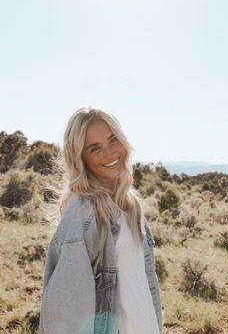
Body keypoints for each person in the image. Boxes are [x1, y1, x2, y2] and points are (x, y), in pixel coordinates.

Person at [39, 107, 163, 334]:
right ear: (80, 158)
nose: (110, 153)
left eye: (113, 140)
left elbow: (141, 284)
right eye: (95, 148)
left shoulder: (130, 204)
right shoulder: (84, 212)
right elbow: (67, 314)